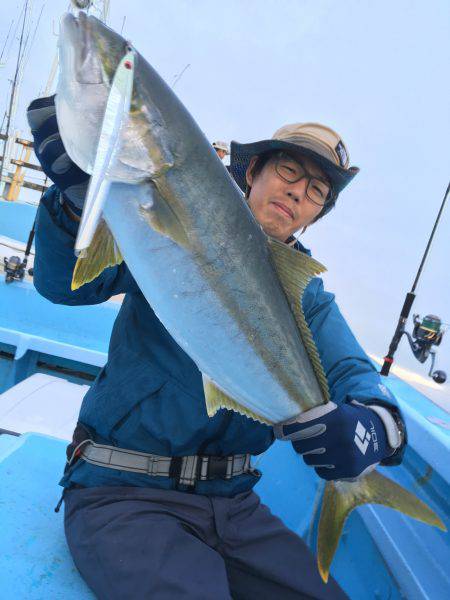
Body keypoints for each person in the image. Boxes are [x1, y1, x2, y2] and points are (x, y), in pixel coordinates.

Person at [27, 95, 406, 600]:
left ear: (316, 214)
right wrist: (75, 205)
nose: (297, 192)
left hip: (235, 504)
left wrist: (372, 428)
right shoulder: (171, 226)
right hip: (122, 490)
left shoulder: (307, 297)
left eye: (315, 192)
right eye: (289, 170)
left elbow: (357, 375)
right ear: (252, 172)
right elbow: (65, 286)